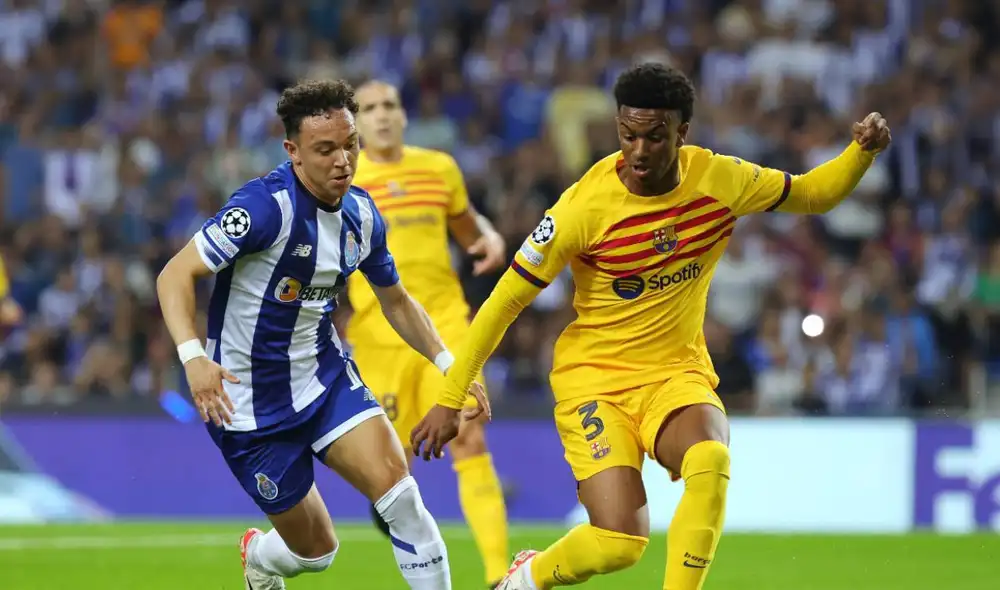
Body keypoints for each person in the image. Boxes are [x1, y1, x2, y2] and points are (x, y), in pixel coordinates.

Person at [411, 63, 891, 590]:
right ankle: (527, 578)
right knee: (620, 544)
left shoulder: (720, 179)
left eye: (655, 136)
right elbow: (503, 302)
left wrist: (860, 153)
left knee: (710, 461)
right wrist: (450, 396)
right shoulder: (583, 206)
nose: (638, 151)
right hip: (594, 382)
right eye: (628, 135)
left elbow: (811, 194)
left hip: (675, 374)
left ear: (682, 132)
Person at [157, 79, 486, 590]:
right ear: (293, 151)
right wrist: (193, 357)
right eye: (325, 149)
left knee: (403, 501)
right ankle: (261, 558)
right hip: (246, 405)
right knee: (315, 555)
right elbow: (174, 275)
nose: (343, 161)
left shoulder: (361, 214)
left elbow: (395, 299)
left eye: (349, 145)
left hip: (324, 380)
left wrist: (450, 367)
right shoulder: (263, 210)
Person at [346, 79, 511, 588]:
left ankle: (499, 576)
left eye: (389, 105)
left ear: (403, 115)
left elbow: (466, 226)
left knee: (470, 435)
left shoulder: (439, 168)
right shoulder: (344, 177)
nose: (381, 115)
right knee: (387, 474)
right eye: (369, 108)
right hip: (379, 337)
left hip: (445, 325)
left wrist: (488, 237)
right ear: (355, 123)